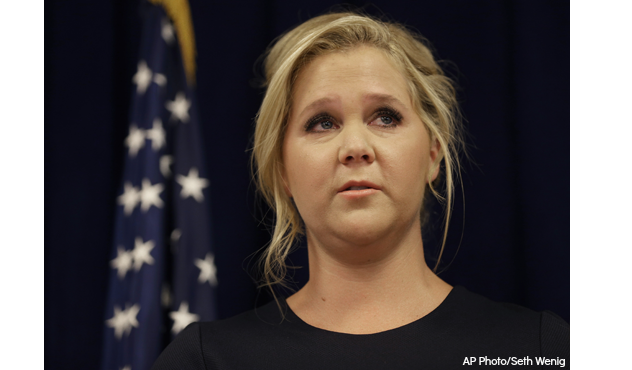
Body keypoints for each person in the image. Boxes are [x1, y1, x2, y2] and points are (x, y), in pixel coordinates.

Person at [152, 11, 569, 369]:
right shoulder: (206, 361)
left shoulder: (538, 349)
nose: (355, 148)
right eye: (322, 122)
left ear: (433, 154)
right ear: (282, 170)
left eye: (385, 117)